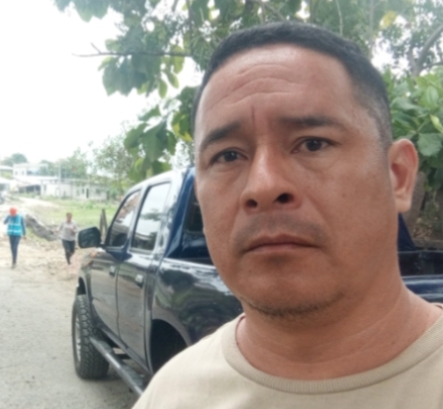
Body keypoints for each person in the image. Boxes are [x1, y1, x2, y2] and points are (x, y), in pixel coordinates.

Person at [134, 22, 443, 408]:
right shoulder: (171, 396)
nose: (262, 186)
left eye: (312, 144)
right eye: (228, 155)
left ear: (397, 176)